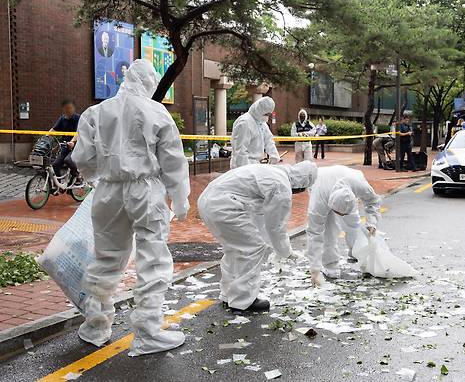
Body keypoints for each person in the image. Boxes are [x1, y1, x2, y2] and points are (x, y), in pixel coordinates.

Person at [71, 59, 191, 356]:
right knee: (153, 258)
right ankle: (148, 331)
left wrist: (101, 178)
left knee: (107, 257)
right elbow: (173, 160)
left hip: (108, 190)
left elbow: (83, 158)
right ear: (149, 82)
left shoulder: (95, 113)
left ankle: (95, 325)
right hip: (145, 189)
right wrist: (180, 196)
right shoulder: (155, 111)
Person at [197, 161, 318, 311]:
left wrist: (271, 244)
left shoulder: (272, 172)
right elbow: (276, 227)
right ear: (301, 185)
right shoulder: (281, 186)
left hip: (208, 201)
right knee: (252, 249)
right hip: (224, 205)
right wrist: (285, 252)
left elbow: (261, 220)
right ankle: (243, 301)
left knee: (235, 250)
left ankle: (229, 295)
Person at [306, 165, 381, 286]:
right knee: (328, 231)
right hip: (319, 182)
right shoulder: (318, 202)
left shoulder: (359, 185)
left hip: (344, 178)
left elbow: (373, 201)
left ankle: (355, 251)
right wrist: (314, 270)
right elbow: (314, 233)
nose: (340, 215)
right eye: (338, 212)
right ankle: (331, 266)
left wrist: (372, 222)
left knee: (353, 223)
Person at [230, 97, 280, 168]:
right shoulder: (244, 123)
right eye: (266, 114)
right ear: (259, 110)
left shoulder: (262, 123)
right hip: (242, 165)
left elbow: (269, 140)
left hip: (255, 165)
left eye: (269, 114)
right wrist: (245, 169)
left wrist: (274, 156)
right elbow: (240, 150)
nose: (267, 117)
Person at [51, 99, 80, 179]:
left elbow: (79, 132)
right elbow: (53, 130)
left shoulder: (78, 118)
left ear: (74, 108)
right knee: (55, 164)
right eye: (67, 108)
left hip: (77, 146)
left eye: (70, 108)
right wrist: (44, 138)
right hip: (65, 146)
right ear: (63, 109)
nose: (69, 110)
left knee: (68, 160)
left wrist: (72, 141)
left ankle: (78, 176)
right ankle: (59, 186)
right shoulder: (62, 119)